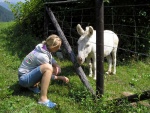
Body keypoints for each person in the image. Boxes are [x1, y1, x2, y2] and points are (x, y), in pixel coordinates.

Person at [18, 34, 69, 108]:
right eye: (58, 46)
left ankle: (32, 86)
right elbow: (48, 75)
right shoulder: (42, 56)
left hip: (24, 76)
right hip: (24, 80)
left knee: (50, 68)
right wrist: (60, 77)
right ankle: (43, 99)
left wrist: (56, 65)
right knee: (48, 68)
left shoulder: (43, 47)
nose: (59, 48)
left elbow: (51, 58)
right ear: (53, 47)